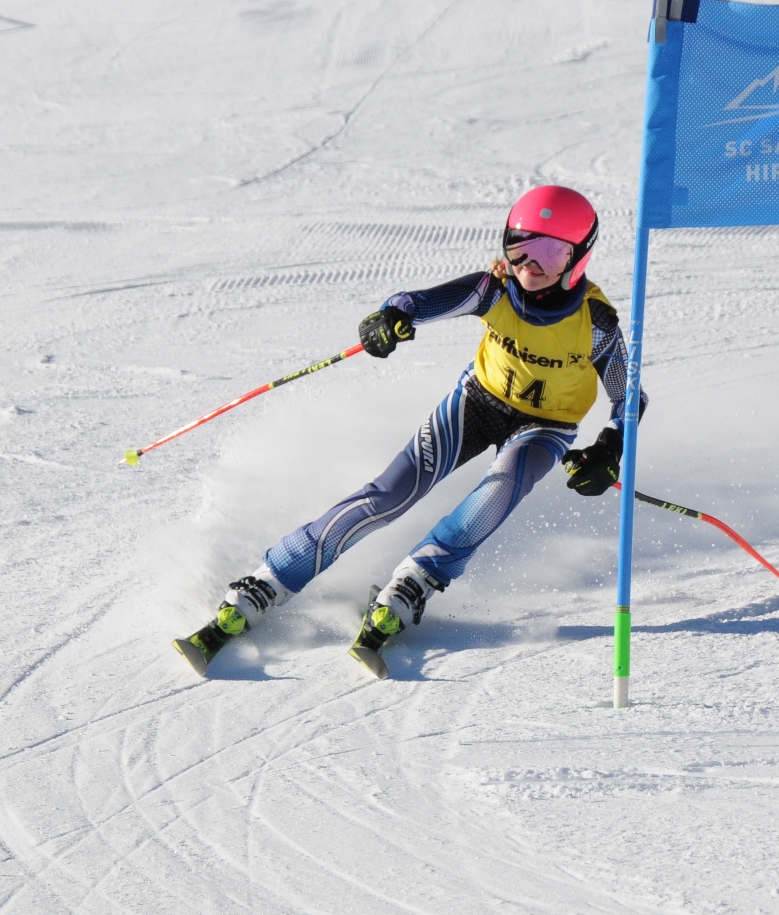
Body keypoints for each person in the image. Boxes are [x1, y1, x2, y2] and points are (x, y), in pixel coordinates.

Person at [175, 185, 644, 679]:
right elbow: (417, 302)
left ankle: (416, 579)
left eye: (549, 253)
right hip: (478, 402)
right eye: (519, 246)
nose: (529, 264)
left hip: (546, 426)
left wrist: (610, 446)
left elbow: (630, 397)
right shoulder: (495, 289)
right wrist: (391, 316)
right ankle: (269, 580)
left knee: (497, 492)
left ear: (578, 257)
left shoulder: (596, 323)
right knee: (389, 494)